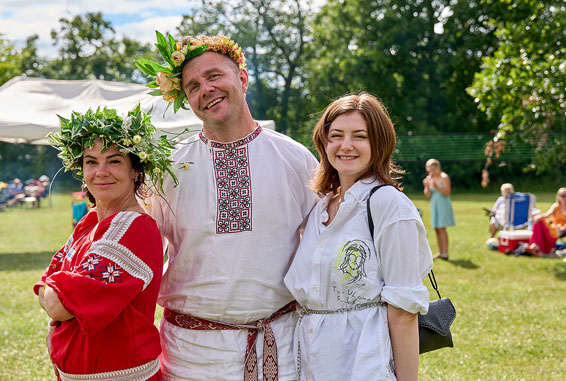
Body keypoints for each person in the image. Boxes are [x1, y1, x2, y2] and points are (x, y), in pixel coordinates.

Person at [138, 33, 318, 379]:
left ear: (243, 77)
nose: (205, 89)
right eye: (192, 86)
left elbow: (326, 249)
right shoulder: (170, 170)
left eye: (214, 76)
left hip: (280, 346)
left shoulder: (296, 160)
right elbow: (141, 251)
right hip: (190, 355)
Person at [284, 93, 433, 380]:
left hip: (364, 363)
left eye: (359, 136)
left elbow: (404, 312)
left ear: (378, 143)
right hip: (310, 362)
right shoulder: (320, 207)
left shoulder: (388, 204)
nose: (346, 145)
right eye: (336, 135)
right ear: (324, 142)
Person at [35, 105, 177, 380]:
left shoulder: (137, 228)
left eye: (114, 161)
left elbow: (57, 306)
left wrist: (55, 289)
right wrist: (56, 287)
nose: (101, 172)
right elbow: (48, 283)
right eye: (91, 161)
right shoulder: (89, 222)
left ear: (136, 170)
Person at [423, 158, 455, 260]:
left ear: (438, 167)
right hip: (434, 204)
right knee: (436, 228)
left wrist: (437, 187)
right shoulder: (429, 178)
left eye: (433, 169)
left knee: (442, 228)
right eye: (430, 169)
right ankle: (440, 252)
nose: (432, 171)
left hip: (443, 204)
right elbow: (427, 195)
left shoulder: (444, 177)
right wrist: (427, 186)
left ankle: (445, 253)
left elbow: (447, 192)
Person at [526, 187, 566, 256]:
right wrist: (539, 216)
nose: (564, 198)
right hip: (553, 226)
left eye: (565, 196)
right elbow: (547, 215)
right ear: (558, 196)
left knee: (539, 222)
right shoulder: (556, 206)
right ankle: (536, 245)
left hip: (561, 228)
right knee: (537, 220)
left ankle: (537, 247)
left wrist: (562, 229)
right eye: (562, 196)